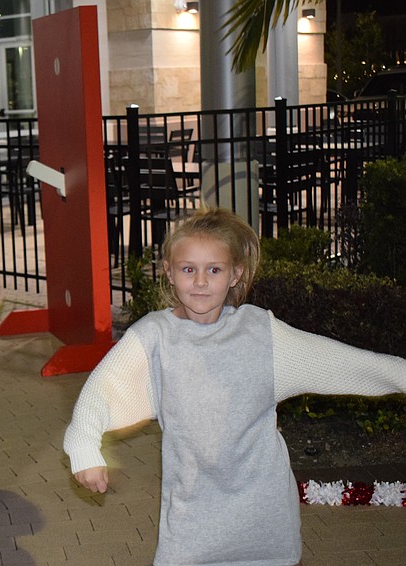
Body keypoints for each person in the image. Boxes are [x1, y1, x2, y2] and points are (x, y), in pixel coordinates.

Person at [64, 207, 406, 566]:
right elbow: (101, 391)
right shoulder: (154, 337)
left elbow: (341, 362)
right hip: (191, 527)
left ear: (234, 274)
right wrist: (84, 447)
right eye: (188, 269)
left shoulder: (261, 333)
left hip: (266, 522)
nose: (200, 281)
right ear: (169, 271)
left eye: (214, 269)